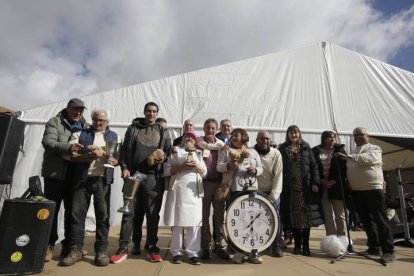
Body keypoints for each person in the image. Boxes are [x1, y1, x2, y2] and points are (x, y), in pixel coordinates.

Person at [110, 102, 171, 263]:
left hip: (153, 178)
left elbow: (168, 152)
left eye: (154, 111)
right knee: (128, 213)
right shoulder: (133, 128)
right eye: (149, 111)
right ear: (144, 112)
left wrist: (163, 158)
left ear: (157, 114)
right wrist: (124, 167)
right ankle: (123, 247)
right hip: (134, 175)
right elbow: (124, 151)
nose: (151, 114)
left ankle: (152, 246)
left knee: (152, 215)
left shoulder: (163, 131)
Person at [60, 108, 120, 267]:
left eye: (102, 120)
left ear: (107, 122)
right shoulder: (81, 134)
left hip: (103, 181)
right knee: (77, 216)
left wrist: (116, 161)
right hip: (82, 179)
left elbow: (119, 157)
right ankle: (76, 250)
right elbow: (70, 155)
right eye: (95, 119)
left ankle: (101, 251)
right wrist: (85, 157)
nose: (98, 123)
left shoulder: (114, 136)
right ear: (92, 120)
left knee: (103, 217)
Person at [337, 127, 395, 263]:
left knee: (381, 220)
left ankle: (388, 251)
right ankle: (374, 248)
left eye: (361, 134)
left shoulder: (374, 148)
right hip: (357, 191)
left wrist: (350, 157)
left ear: (367, 135)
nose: (358, 137)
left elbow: (370, 159)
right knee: (367, 222)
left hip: (373, 189)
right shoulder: (352, 152)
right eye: (355, 135)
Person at [41, 98, 88, 261]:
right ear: (67, 108)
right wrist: (69, 147)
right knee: (51, 212)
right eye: (75, 109)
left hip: (75, 177)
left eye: (81, 110)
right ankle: (48, 245)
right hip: (55, 175)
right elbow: (48, 142)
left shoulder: (86, 126)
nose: (78, 112)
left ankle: (68, 246)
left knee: (73, 212)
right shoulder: (55, 122)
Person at [217, 128, 263, 264]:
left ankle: (254, 252)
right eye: (232, 136)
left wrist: (255, 170)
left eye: (236, 135)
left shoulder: (253, 152)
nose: (233, 137)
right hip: (235, 190)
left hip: (251, 190)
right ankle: (239, 252)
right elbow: (218, 167)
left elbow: (261, 169)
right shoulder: (226, 150)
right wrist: (228, 164)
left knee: (254, 222)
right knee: (237, 223)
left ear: (244, 137)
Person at [164, 130, 207, 265]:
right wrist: (181, 167)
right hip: (178, 190)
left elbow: (204, 173)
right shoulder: (175, 151)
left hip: (194, 191)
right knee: (178, 222)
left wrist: (197, 167)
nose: (189, 139)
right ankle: (176, 252)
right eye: (187, 136)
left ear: (195, 141)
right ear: (182, 139)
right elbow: (166, 170)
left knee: (194, 223)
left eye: (192, 137)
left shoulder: (199, 154)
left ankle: (193, 253)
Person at [279, 125, 320, 256]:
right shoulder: (283, 148)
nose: (293, 135)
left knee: (306, 217)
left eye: (295, 133)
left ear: (299, 134)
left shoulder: (306, 147)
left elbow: (314, 166)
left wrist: (315, 182)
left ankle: (306, 246)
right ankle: (297, 246)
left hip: (305, 187)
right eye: (291, 133)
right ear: (288, 135)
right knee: (295, 217)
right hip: (291, 188)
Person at [196, 118, 229, 260]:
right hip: (204, 184)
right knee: (203, 217)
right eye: (208, 127)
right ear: (203, 128)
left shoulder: (222, 145)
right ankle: (205, 246)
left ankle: (220, 246)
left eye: (213, 128)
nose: (211, 130)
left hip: (219, 184)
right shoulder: (198, 144)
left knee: (219, 216)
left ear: (216, 130)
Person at [254, 130, 284, 257]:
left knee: (275, 218)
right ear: (257, 140)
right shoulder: (251, 153)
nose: (264, 141)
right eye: (261, 138)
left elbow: (278, 175)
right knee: (255, 220)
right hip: (255, 191)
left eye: (266, 138)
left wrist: (273, 196)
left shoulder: (276, 153)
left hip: (272, 192)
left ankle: (275, 244)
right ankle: (256, 245)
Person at [312, 131, 347, 237]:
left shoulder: (340, 150)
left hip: (336, 187)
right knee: (327, 215)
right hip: (322, 187)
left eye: (333, 138)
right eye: (329, 138)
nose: (332, 140)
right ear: (324, 139)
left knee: (340, 215)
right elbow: (313, 168)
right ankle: (332, 241)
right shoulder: (315, 151)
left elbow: (344, 168)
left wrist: (334, 180)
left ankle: (343, 239)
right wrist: (321, 181)